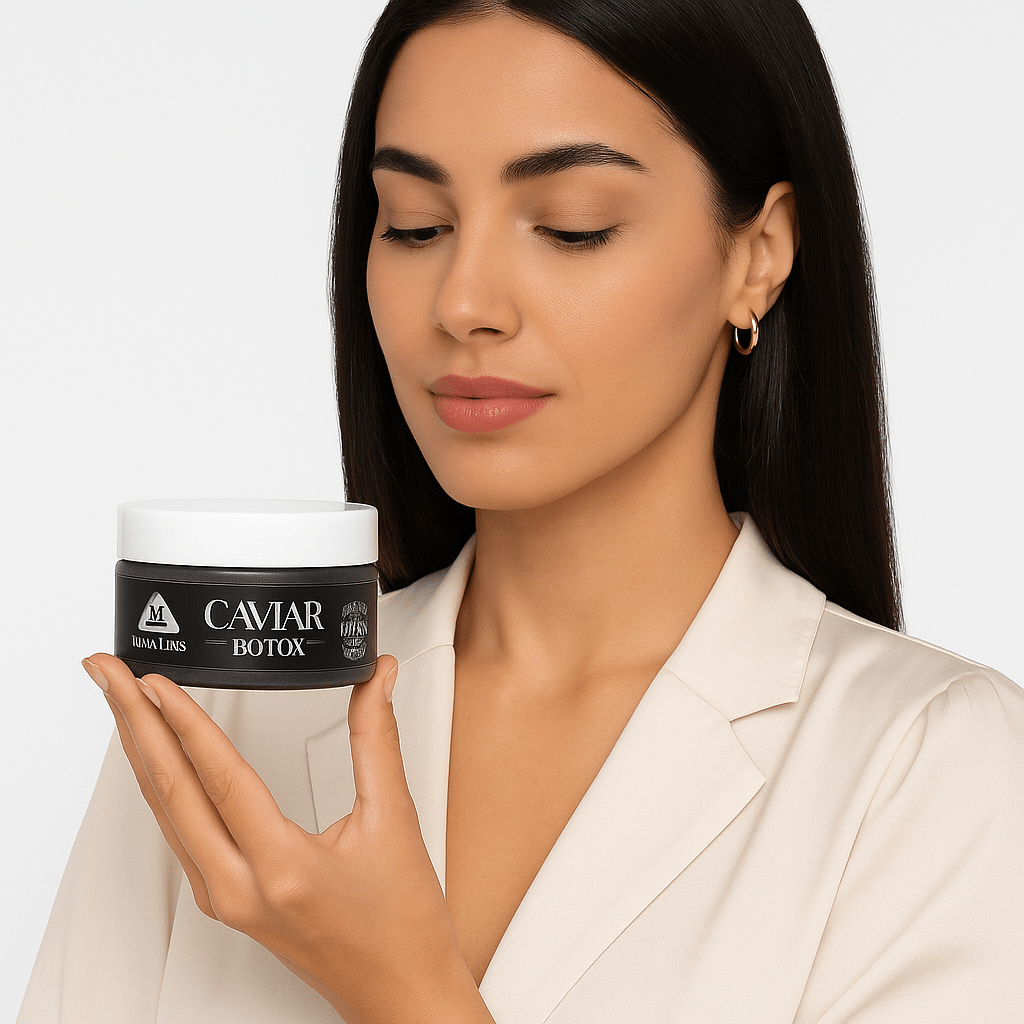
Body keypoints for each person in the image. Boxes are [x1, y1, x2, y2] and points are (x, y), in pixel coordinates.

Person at [19, 1, 1024, 1021]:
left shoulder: (927, 765)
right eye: (416, 224)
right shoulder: (228, 714)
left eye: (572, 226)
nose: (463, 303)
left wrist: (402, 990)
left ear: (757, 254)